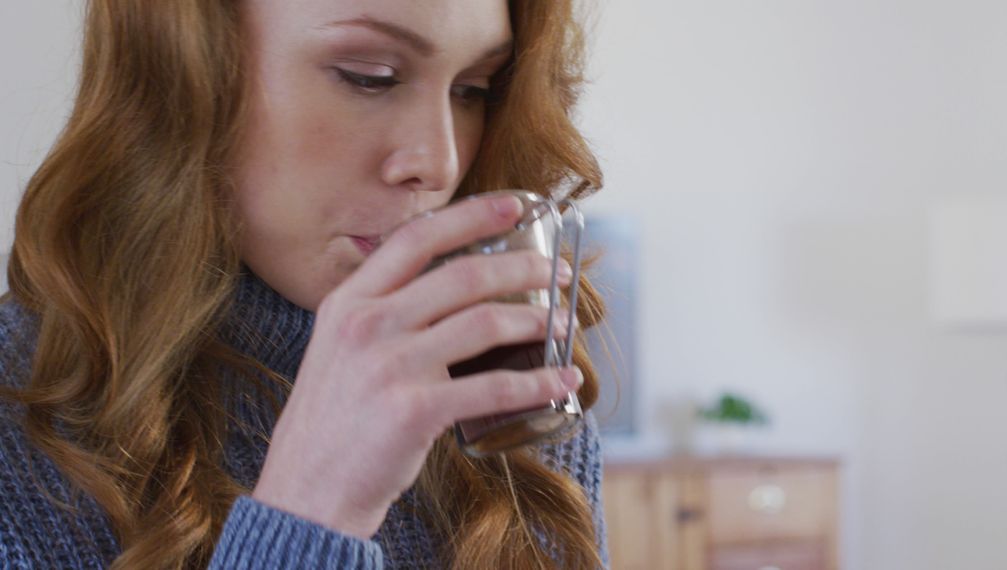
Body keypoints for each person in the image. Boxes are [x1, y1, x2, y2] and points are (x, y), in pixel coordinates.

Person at [0, 0, 610, 568]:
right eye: (369, 75)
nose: (440, 162)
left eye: (472, 90)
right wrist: (311, 513)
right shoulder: (20, 432)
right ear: (183, 67)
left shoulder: (508, 389)